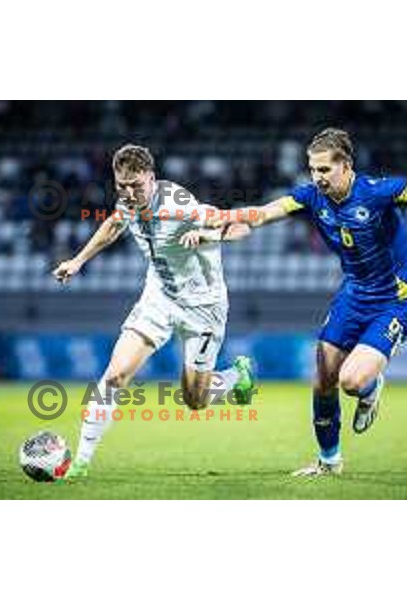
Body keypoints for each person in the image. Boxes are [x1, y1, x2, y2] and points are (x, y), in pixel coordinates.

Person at [208, 128, 407, 476]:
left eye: (324, 170)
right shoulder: (311, 198)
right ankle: (329, 462)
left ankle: (370, 387)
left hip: (395, 300)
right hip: (353, 295)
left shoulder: (377, 192)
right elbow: (261, 214)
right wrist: (222, 227)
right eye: (313, 169)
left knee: (350, 381)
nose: (316, 177)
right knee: (322, 378)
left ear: (346, 165)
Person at [52, 144, 254, 480]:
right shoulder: (128, 202)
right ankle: (81, 462)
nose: (129, 194)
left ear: (152, 178)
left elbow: (241, 226)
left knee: (195, 399)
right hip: (158, 299)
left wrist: (205, 234)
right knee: (115, 375)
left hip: (203, 306)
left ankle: (235, 377)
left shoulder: (180, 205)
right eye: (122, 186)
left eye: (137, 186)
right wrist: (78, 260)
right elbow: (113, 225)